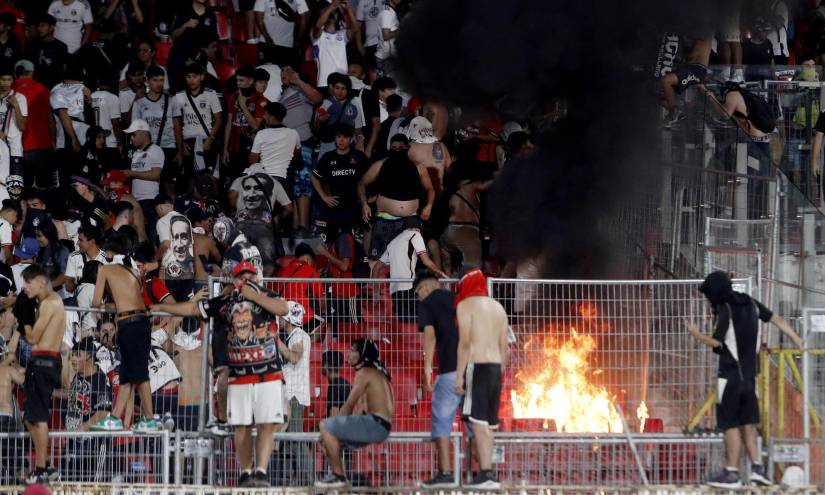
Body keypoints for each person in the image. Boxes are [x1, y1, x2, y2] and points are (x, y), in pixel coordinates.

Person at [151, 260, 290, 487]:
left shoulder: (266, 295)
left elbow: (283, 308)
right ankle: (246, 473)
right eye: (241, 276)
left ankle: (262, 472)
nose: (246, 280)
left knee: (266, 424)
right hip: (239, 375)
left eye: (250, 276)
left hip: (269, 373)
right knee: (242, 427)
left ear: (256, 277)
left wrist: (254, 297)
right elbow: (194, 309)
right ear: (234, 280)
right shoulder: (225, 302)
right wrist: (160, 307)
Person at [688, 271, 803, 488]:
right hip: (751, 380)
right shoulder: (751, 303)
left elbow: (717, 343)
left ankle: (731, 473)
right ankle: (757, 469)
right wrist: (797, 339)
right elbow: (776, 319)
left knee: (730, 425)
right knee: (748, 425)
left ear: (715, 293)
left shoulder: (725, 309)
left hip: (730, 378)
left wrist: (695, 333)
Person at [90, 232, 160, 432]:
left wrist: (103, 307)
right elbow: (130, 297)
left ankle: (150, 419)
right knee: (128, 375)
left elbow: (95, 302)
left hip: (129, 324)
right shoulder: (134, 270)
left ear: (110, 251)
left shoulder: (105, 269)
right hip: (141, 323)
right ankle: (114, 418)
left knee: (139, 373)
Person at [454, 268, 508, 489]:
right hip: (496, 368)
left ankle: (485, 474)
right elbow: (504, 346)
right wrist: (500, 371)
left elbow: (465, 343)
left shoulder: (465, 306)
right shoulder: (498, 307)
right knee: (488, 425)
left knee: (477, 424)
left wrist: (459, 376)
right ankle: (489, 473)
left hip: (477, 366)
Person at [316, 338, 393, 488]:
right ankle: (336, 475)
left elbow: (349, 405)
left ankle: (338, 476)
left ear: (361, 354)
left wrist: (332, 426)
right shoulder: (379, 372)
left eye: (352, 350)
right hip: (382, 424)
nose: (348, 354)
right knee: (331, 440)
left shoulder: (364, 372)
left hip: (375, 423)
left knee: (325, 426)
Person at [415, 271, 467, 488]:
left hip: (449, 371)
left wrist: (427, 370)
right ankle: (478, 473)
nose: (418, 298)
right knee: (473, 422)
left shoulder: (428, 302)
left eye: (417, 293)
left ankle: (445, 473)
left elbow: (429, 335)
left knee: (442, 423)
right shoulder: (459, 299)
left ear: (424, 289)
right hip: (471, 370)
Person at [20, 263, 66, 485]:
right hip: (44, 361)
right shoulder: (49, 302)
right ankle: (45, 464)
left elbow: (33, 338)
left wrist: (25, 321)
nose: (25, 288)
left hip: (44, 361)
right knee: (30, 417)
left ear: (40, 281)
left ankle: (40, 469)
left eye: (27, 283)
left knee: (37, 417)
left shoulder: (49, 303)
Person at [358, 134, 435, 259]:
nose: (397, 150)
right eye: (394, 147)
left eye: (400, 147)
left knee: (411, 261)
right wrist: (364, 203)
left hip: (410, 221)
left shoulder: (419, 167)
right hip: (384, 221)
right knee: (378, 260)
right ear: (390, 148)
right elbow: (362, 183)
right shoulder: (380, 165)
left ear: (407, 147)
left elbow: (430, 189)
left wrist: (429, 206)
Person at [63, 336, 113, 481]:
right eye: (72, 355)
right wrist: (52, 393)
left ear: (90, 358)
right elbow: (74, 395)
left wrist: (80, 429)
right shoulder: (78, 377)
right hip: (73, 440)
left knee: (92, 485)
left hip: (92, 443)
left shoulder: (100, 380)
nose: (73, 359)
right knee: (71, 483)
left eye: (78, 355)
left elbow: (103, 413)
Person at [378, 216, 445, 319]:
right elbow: (426, 261)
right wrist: (440, 273)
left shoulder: (394, 241)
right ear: (417, 228)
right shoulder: (415, 235)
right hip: (408, 286)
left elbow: (376, 267)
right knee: (421, 319)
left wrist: (375, 289)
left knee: (405, 323)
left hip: (395, 290)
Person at [278, 301, 314, 484]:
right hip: (292, 395)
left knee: (296, 441)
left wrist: (276, 341)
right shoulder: (296, 335)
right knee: (289, 442)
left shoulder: (298, 335)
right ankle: (294, 480)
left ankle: (310, 482)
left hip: (294, 396)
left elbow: (294, 357)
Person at [131, 65, 178, 196]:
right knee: (149, 189)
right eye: (155, 80)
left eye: (161, 80)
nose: (159, 84)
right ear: (147, 81)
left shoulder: (171, 100)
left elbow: (178, 125)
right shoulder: (139, 103)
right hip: (148, 149)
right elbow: (135, 128)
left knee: (170, 188)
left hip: (168, 146)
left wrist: (179, 150)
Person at [312, 123, 368, 233]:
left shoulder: (359, 157)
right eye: (339, 137)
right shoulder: (327, 157)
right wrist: (324, 197)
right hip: (335, 207)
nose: (341, 140)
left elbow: (368, 178)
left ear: (351, 139)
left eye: (345, 137)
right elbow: (314, 177)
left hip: (355, 205)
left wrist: (366, 200)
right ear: (335, 139)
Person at [173, 63, 223, 179]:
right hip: (188, 142)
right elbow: (176, 124)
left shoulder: (211, 94)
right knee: (191, 178)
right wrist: (180, 146)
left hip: (207, 141)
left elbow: (219, 120)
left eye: (194, 77)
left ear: (202, 77)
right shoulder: (178, 96)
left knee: (211, 178)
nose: (191, 80)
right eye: (188, 77)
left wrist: (209, 141)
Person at [222, 65, 265, 184]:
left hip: (249, 149)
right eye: (237, 80)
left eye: (241, 80)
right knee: (233, 183)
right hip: (233, 147)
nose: (238, 84)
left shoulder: (260, 100)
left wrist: (243, 105)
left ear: (251, 81)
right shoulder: (232, 97)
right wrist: (225, 149)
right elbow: (229, 123)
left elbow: (255, 126)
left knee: (247, 183)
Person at [13, 59, 52, 188]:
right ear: (32, 72)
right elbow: (50, 118)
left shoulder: (9, 90)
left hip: (17, 147)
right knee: (44, 188)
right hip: (42, 145)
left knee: (19, 190)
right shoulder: (43, 90)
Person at [122, 119, 164, 237]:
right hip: (135, 201)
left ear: (143, 133)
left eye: (133, 135)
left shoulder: (155, 150)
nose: (131, 138)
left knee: (150, 235)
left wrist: (131, 173)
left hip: (149, 200)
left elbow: (155, 175)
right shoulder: (135, 153)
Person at [660, 35, 712, 127]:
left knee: (666, 80)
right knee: (657, 93)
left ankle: (674, 112)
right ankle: (675, 110)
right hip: (689, 69)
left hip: (696, 70)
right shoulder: (697, 36)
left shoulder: (704, 33)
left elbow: (691, 56)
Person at [249, 102, 301, 187]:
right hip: (285, 179)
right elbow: (297, 154)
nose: (263, 116)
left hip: (265, 178)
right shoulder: (293, 133)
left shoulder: (261, 134)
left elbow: (253, 160)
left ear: (272, 117)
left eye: (265, 114)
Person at [313, 0, 358, 89]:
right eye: (327, 13)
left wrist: (348, 9)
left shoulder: (342, 34)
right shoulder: (318, 36)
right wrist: (331, 7)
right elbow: (318, 25)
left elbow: (355, 29)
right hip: (324, 83)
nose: (331, 15)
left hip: (342, 84)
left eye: (333, 14)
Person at [254, 0, 309, 65]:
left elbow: (304, 20)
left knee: (285, 72)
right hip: (267, 43)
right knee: (265, 71)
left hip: (287, 44)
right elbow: (258, 19)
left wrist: (298, 40)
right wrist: (267, 37)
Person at [24, 15, 69, 91]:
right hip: (34, 86)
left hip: (54, 87)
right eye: (38, 26)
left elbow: (64, 69)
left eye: (43, 26)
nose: (39, 29)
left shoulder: (61, 46)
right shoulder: (31, 45)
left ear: (51, 27)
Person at [0, 62, 27, 179]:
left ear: (13, 80)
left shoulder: (19, 98)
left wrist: (16, 105)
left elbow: (22, 127)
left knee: (14, 189)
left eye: (9, 79)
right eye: (3, 79)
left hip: (14, 150)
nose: (6, 83)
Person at [64, 225, 107, 293]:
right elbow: (68, 287)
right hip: (78, 300)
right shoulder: (73, 257)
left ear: (92, 241)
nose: (77, 243)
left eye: (81, 240)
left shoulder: (106, 259)